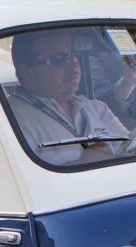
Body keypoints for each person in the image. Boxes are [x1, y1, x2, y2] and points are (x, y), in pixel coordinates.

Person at [8, 29, 126, 166]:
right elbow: (22, 181)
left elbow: (135, 151)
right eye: (58, 59)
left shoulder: (97, 108)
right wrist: (87, 162)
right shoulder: (12, 119)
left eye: (73, 55)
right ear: (27, 72)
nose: (74, 66)